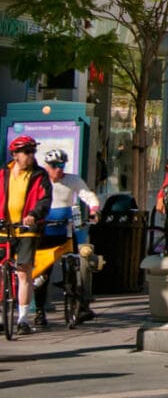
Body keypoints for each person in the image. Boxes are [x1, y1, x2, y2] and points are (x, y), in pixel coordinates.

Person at [35, 148, 99, 325]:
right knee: (41, 273)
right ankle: (40, 311)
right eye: (54, 165)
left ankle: (81, 304)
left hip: (67, 229)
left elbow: (87, 195)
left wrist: (94, 210)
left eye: (61, 165)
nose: (58, 169)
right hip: (45, 230)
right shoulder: (40, 181)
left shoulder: (72, 180)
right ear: (47, 166)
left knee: (80, 262)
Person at [0, 136, 52, 334]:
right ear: (15, 155)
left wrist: (33, 215)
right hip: (4, 228)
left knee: (23, 272)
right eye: (26, 152)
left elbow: (45, 199)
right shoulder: (3, 174)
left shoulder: (39, 175)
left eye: (32, 152)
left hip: (27, 230)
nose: (31, 156)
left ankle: (22, 319)